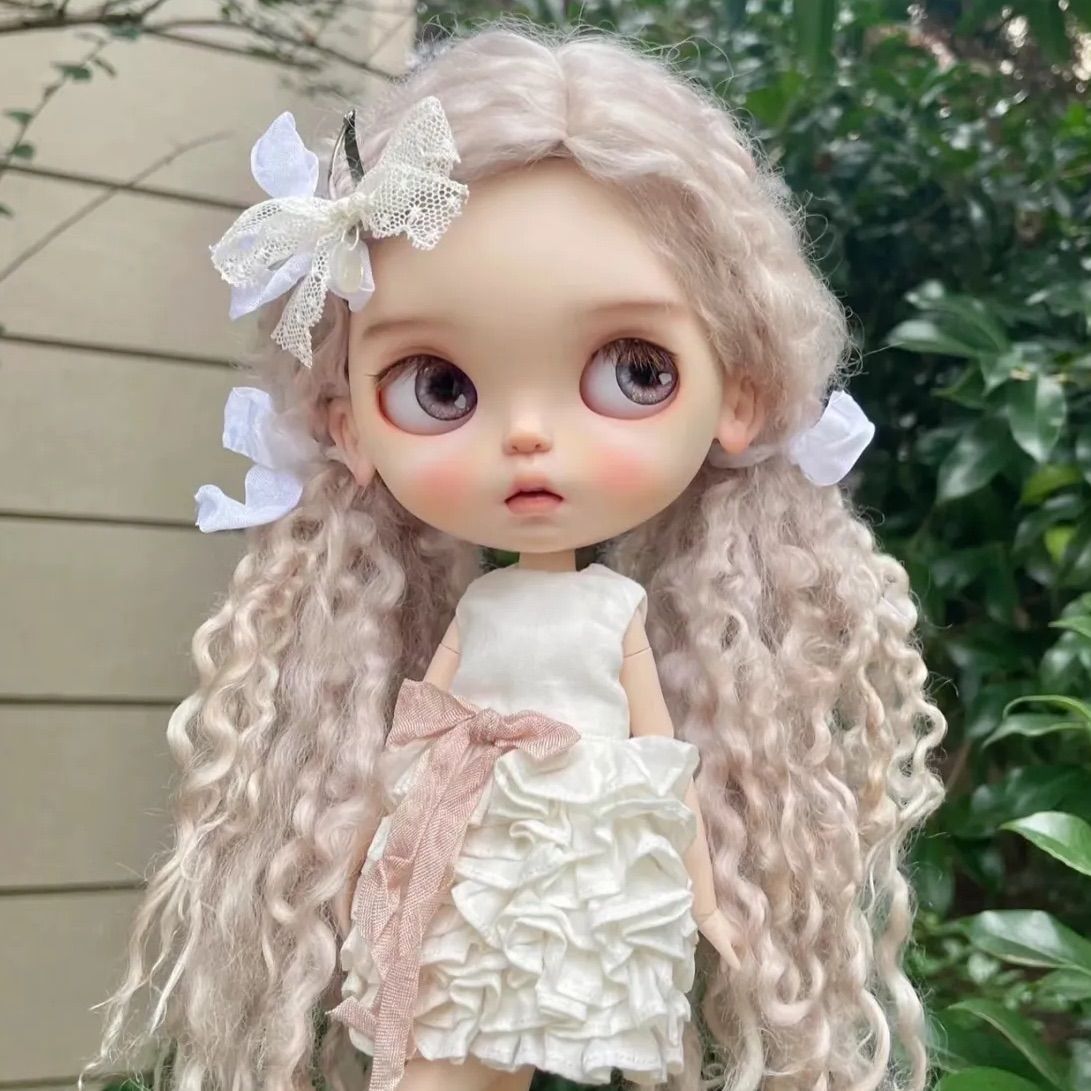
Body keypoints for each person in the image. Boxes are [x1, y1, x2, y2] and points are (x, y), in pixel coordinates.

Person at [84, 24, 945, 1091]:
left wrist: (706, 892)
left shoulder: (610, 611)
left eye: (633, 370)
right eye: (440, 386)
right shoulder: (484, 613)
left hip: (584, 842)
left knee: (574, 1014)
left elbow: (659, 761)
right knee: (454, 1038)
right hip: (471, 831)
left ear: (742, 392)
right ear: (347, 426)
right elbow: (418, 731)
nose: (528, 437)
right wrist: (367, 852)